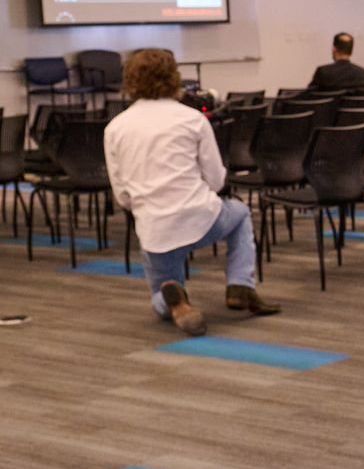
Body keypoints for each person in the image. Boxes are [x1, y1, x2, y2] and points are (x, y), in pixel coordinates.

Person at [104, 48, 280, 336]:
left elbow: (121, 194)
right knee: (240, 213)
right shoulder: (192, 119)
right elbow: (216, 179)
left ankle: (174, 298)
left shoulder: (115, 128)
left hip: (154, 228)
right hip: (201, 217)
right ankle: (240, 285)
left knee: (160, 297)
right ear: (174, 77)